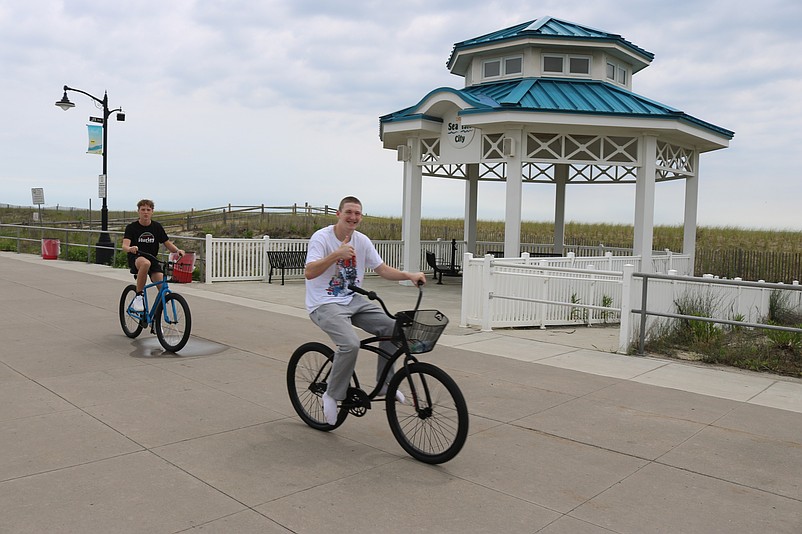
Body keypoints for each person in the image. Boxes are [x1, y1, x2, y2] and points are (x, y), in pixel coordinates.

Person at [305, 196, 426, 425]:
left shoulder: (362, 241)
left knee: (394, 328)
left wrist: (408, 275)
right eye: (349, 212)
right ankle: (332, 394)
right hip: (323, 303)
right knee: (350, 344)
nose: (353, 217)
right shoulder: (321, 238)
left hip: (352, 300)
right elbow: (309, 272)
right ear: (338, 214)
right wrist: (335, 255)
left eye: (357, 213)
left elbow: (381, 269)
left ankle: (385, 385)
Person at [122, 199, 184, 312]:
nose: (145, 212)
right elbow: (124, 246)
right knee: (146, 263)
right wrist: (130, 248)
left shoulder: (157, 227)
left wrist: (177, 250)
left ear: (152, 212)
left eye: (148, 210)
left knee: (163, 288)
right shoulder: (131, 227)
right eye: (143, 210)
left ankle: (155, 318)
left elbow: (167, 243)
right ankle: (139, 297)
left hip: (152, 258)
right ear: (138, 211)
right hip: (137, 257)